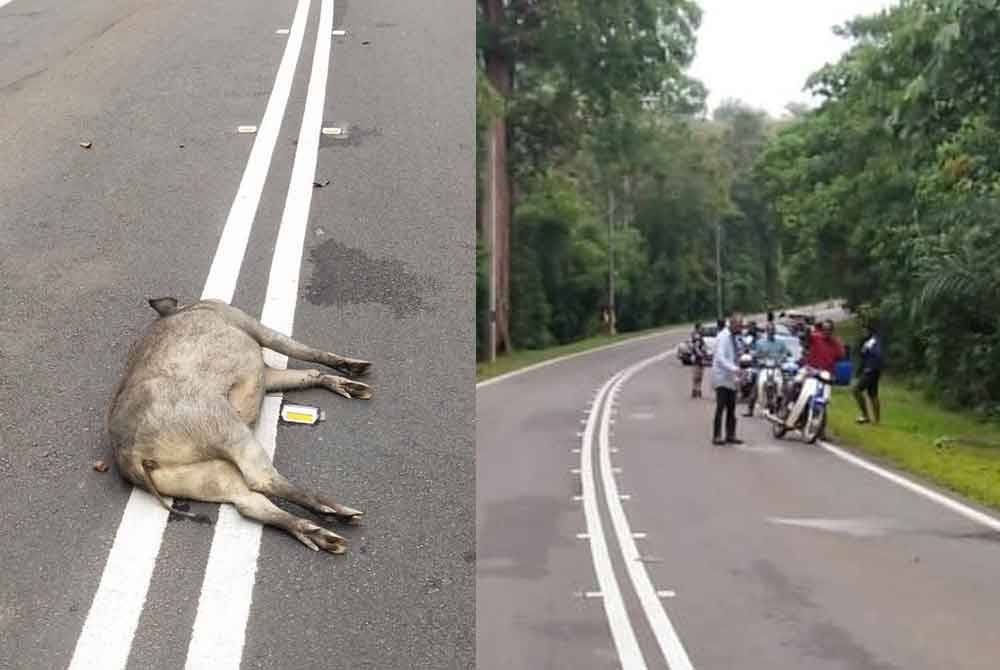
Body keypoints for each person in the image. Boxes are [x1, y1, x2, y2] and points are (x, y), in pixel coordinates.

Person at [711, 313, 744, 445]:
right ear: (732, 324)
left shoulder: (734, 338)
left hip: (731, 377)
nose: (741, 328)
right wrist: (734, 369)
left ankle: (730, 434)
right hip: (721, 376)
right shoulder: (723, 337)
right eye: (739, 325)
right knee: (721, 406)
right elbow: (720, 358)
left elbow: (736, 353)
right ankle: (717, 435)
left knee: (732, 407)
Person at [744, 322, 789, 417]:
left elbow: (786, 353)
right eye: (769, 330)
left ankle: (783, 405)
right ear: (766, 331)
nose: (771, 332)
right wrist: (758, 359)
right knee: (757, 385)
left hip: (776, 368)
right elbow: (755, 354)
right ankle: (750, 409)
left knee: (783, 384)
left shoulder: (780, 343)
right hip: (764, 367)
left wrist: (782, 359)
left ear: (775, 331)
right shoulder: (760, 343)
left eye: (772, 330)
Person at [854, 323, 882, 424]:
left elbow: (877, 354)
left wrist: (870, 367)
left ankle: (865, 415)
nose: (863, 333)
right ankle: (877, 420)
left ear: (870, 331)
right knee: (873, 394)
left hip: (871, 370)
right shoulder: (869, 341)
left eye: (865, 331)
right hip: (873, 370)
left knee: (856, 390)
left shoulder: (873, 341)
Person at [690, 322, 707, 399]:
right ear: (698, 328)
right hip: (698, 358)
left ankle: (698, 390)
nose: (702, 329)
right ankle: (695, 390)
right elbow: (696, 347)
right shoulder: (697, 336)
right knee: (697, 375)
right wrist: (701, 354)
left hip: (700, 358)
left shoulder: (699, 336)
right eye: (701, 328)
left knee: (700, 375)